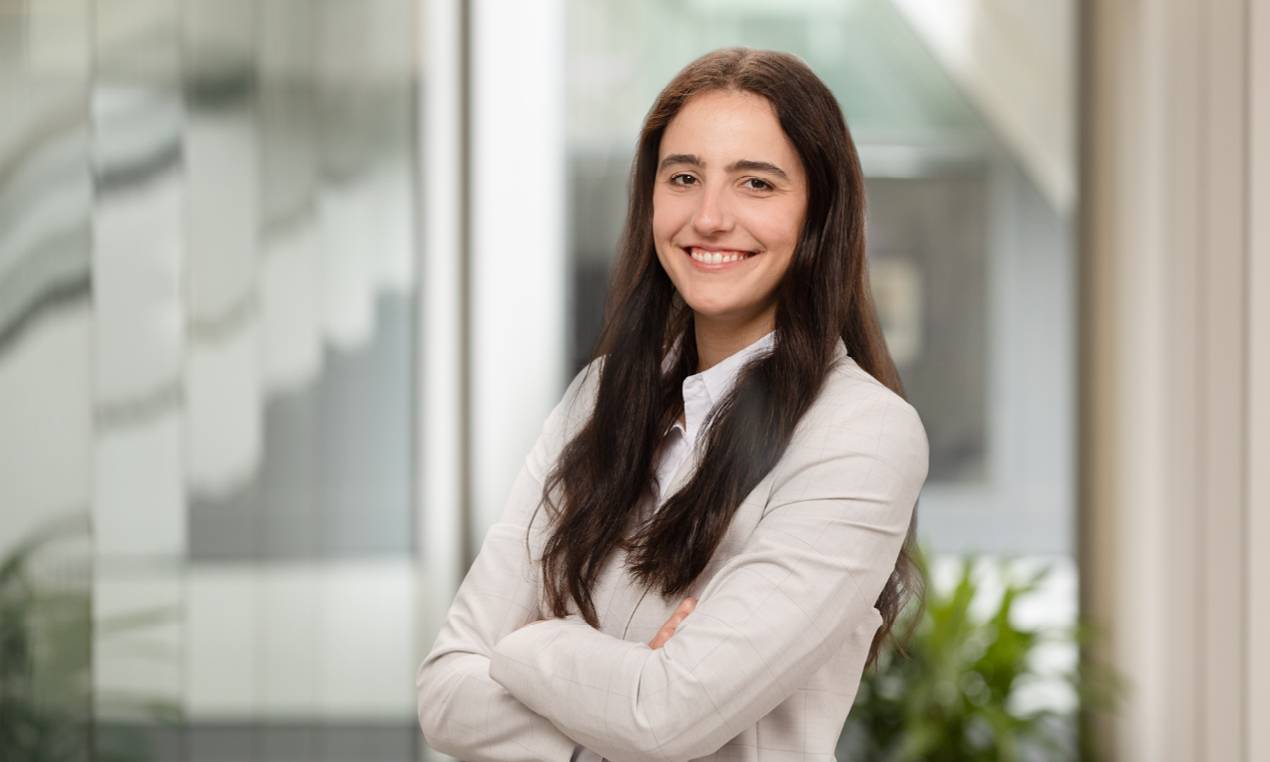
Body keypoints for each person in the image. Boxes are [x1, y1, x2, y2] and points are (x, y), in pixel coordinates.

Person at [416, 47, 930, 762]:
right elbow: (444, 690)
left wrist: (531, 643)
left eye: (757, 183)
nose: (710, 216)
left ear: (820, 211)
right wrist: (618, 703)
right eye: (684, 177)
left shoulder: (862, 435)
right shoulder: (598, 398)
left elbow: (665, 718)